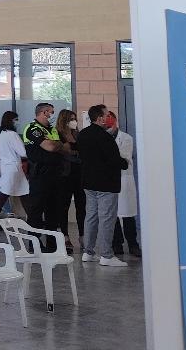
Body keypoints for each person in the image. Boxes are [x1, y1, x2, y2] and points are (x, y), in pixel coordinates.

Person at [77, 104, 128, 266]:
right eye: (106, 115)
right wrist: (125, 162)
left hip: (89, 182)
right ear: (99, 118)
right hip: (106, 183)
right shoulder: (105, 137)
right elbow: (114, 159)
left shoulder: (83, 134)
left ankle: (88, 252)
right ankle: (106, 255)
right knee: (107, 218)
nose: (108, 118)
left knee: (91, 216)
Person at [22, 102, 68, 248]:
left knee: (53, 211)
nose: (52, 115)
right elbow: (51, 146)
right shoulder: (32, 128)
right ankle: (34, 244)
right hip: (39, 176)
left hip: (55, 175)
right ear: (43, 112)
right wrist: (57, 145)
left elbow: (66, 147)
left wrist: (57, 145)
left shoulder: (52, 130)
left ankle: (52, 244)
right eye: (51, 112)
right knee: (36, 211)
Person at [0, 110, 27, 229]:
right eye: (16, 120)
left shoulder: (1, 133)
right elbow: (23, 152)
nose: (17, 122)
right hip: (14, 167)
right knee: (6, 193)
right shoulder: (12, 134)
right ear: (10, 121)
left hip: (7, 167)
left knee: (24, 192)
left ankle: (32, 216)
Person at [108, 112, 141, 257]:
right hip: (109, 180)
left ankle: (133, 244)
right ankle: (117, 244)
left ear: (115, 121)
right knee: (112, 215)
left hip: (124, 179)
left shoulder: (126, 138)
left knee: (128, 214)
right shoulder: (103, 137)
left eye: (110, 120)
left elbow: (123, 157)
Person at [49, 109, 81, 250]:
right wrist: (73, 152)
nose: (74, 122)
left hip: (79, 174)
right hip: (64, 175)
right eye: (71, 119)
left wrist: (72, 151)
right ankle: (65, 235)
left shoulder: (77, 134)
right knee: (63, 206)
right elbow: (62, 152)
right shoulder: (57, 134)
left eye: (75, 119)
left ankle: (82, 235)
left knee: (81, 206)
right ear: (64, 120)